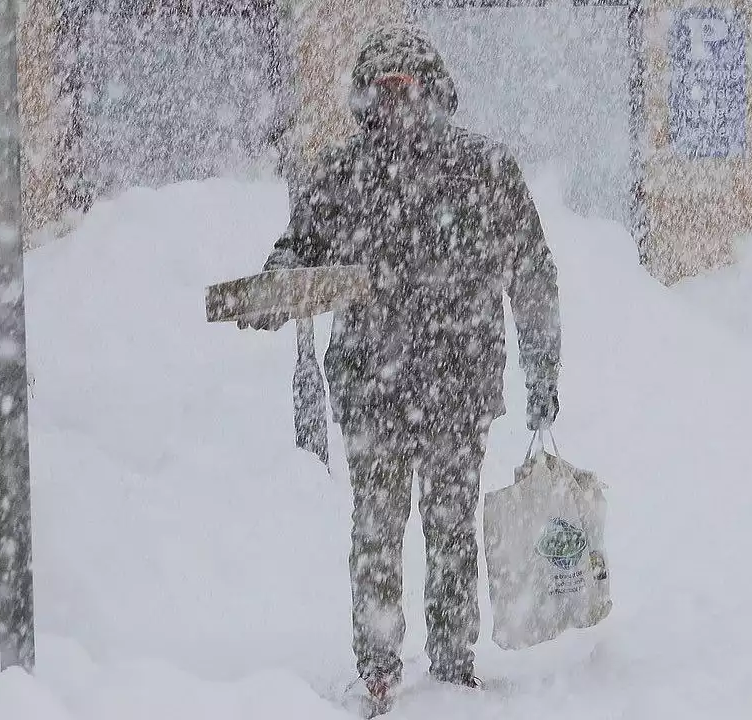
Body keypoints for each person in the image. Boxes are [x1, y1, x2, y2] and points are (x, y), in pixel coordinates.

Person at [238, 24, 562, 713]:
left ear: (434, 91)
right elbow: (299, 251)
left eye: (405, 87)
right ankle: (379, 668)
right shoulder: (342, 175)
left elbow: (532, 275)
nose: (395, 103)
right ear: (365, 99)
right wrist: (275, 288)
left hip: (457, 388)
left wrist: (543, 372)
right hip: (372, 389)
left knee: (451, 528)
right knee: (376, 532)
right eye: (381, 91)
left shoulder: (486, 171)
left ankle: (451, 668)